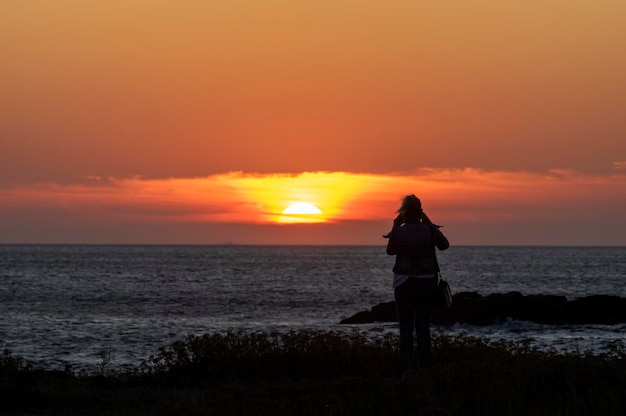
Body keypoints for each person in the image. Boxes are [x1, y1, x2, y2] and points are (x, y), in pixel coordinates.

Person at [385, 194, 449, 377]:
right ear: (420, 211)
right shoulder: (428, 230)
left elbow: (390, 251)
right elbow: (444, 245)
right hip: (426, 284)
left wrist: (395, 226)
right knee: (423, 327)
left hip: (403, 284)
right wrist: (429, 223)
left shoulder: (399, 230)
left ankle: (407, 369)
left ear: (403, 212)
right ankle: (423, 367)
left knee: (405, 327)